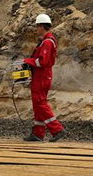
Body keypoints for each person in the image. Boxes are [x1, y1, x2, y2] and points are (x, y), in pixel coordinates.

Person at [22, 13, 65, 142]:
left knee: (40, 103)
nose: (36, 30)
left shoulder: (47, 42)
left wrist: (27, 61)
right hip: (40, 77)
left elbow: (42, 62)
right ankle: (38, 133)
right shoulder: (46, 41)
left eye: (37, 27)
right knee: (37, 104)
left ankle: (57, 129)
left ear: (41, 26)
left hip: (42, 77)